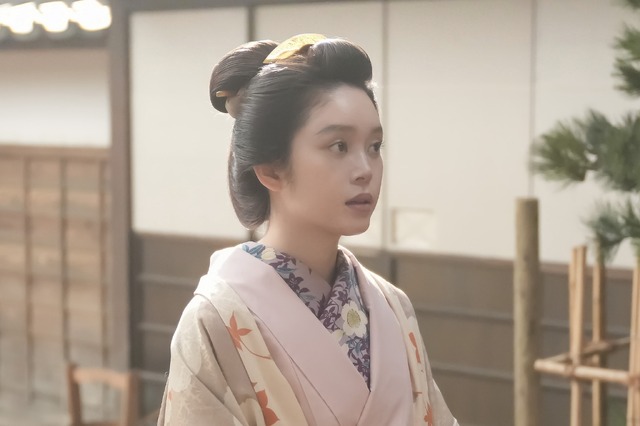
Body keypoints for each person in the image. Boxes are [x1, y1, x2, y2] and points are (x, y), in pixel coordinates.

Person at [158, 34, 457, 426]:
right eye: (339, 146)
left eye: (374, 146)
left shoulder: (392, 306)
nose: (365, 169)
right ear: (270, 168)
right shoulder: (215, 319)